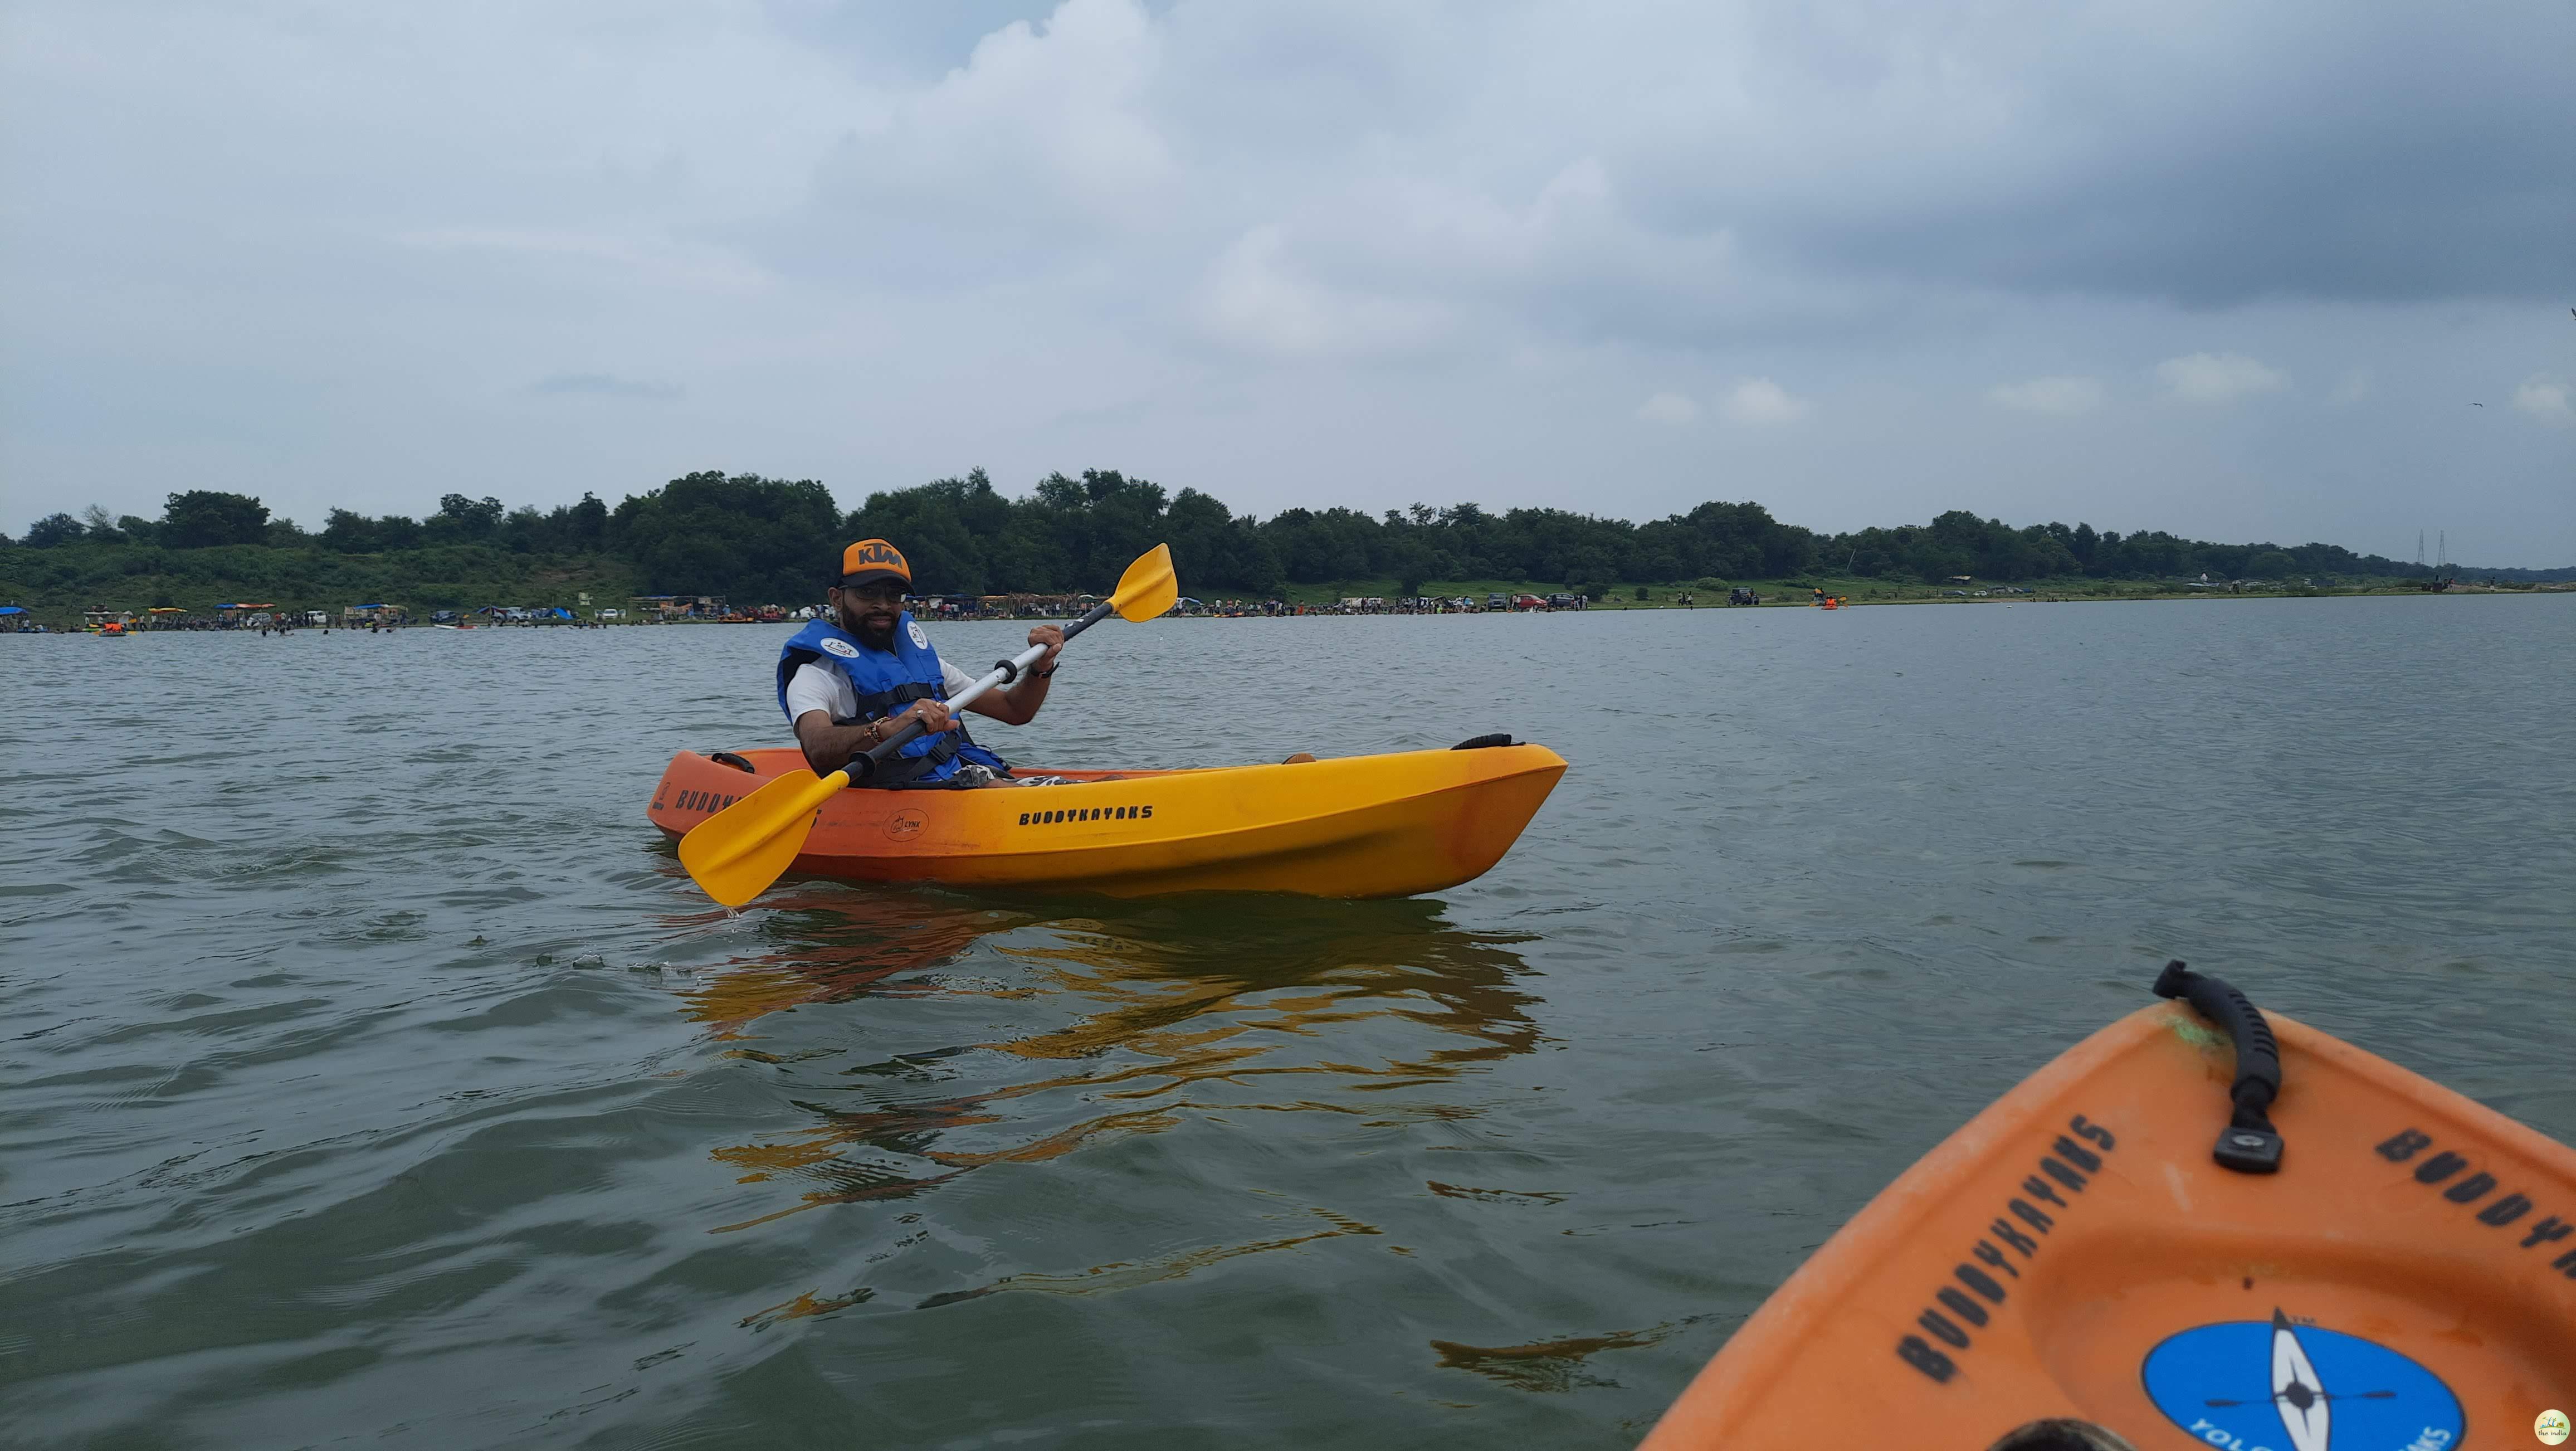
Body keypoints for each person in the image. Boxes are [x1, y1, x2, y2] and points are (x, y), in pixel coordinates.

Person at [775, 538, 1064, 787]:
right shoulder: (816, 676)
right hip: (898, 794)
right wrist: (886, 729)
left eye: (894, 595)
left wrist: (1040, 666)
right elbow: (816, 745)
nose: (883, 605)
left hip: (959, 778)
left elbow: (1015, 711)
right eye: (867, 592)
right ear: (837, 599)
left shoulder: (926, 666)